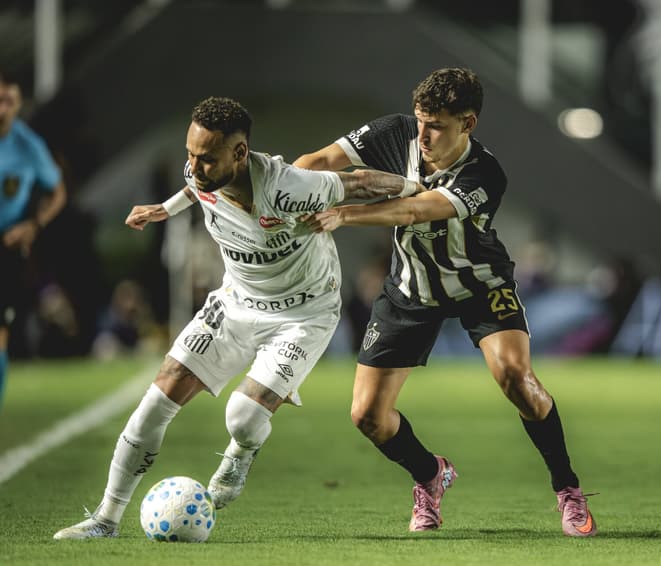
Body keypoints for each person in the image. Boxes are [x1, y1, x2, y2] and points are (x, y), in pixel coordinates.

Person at [53, 96, 422, 540]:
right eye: (190, 154)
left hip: (304, 314)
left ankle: (241, 451)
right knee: (156, 400)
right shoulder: (199, 172)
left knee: (243, 417)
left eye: (207, 158)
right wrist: (163, 210)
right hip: (236, 302)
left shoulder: (290, 187)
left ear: (240, 153)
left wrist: (414, 190)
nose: (195, 166)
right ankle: (106, 520)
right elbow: (194, 187)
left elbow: (359, 182)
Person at [294, 68, 596, 536]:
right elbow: (319, 160)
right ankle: (430, 476)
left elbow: (418, 208)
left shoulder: (485, 174)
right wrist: (278, 189)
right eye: (420, 120)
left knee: (516, 378)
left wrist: (344, 213)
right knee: (367, 417)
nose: (423, 133)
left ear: (468, 124)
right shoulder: (395, 132)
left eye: (436, 124)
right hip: (411, 290)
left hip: (479, 284)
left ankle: (568, 490)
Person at [0, 71, 67, 409]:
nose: (3, 108)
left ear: (18, 103)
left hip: (7, 249)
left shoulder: (28, 146)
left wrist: (33, 225)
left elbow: (57, 192)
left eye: (8, 101)